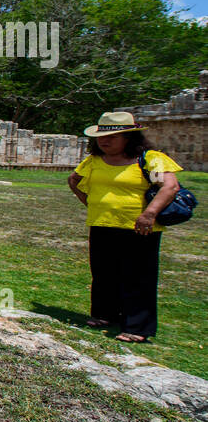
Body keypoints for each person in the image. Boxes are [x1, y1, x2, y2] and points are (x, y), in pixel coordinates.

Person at [67, 111, 183, 343]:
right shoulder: (94, 160)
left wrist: (149, 214)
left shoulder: (150, 159)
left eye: (113, 137)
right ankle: (104, 314)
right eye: (101, 137)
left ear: (129, 137)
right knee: (103, 272)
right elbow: (74, 180)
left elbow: (170, 187)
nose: (104, 141)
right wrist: (90, 202)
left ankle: (138, 327)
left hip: (139, 226)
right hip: (102, 223)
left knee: (138, 276)